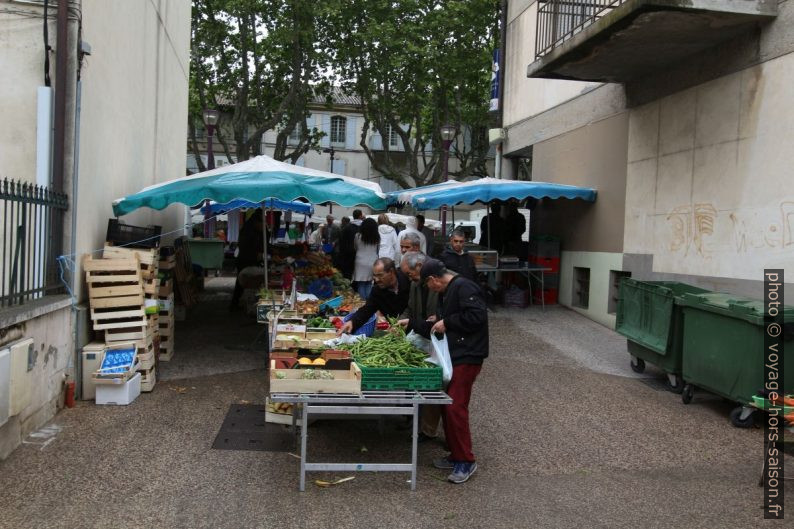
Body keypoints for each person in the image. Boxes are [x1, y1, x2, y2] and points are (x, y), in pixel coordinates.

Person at [416, 258, 488, 484]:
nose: (429, 289)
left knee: (456, 406)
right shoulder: (448, 290)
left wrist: (447, 322)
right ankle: (456, 455)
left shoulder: (464, 287)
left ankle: (466, 461)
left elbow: (477, 316)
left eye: (427, 285)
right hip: (455, 355)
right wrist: (437, 320)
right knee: (448, 405)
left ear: (433, 279)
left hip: (469, 355)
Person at [397, 251, 440, 442]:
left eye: (410, 273)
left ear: (420, 267)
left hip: (436, 336)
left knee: (434, 385)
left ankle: (428, 430)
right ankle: (414, 420)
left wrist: (439, 317)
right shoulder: (416, 284)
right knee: (416, 380)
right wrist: (400, 321)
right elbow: (409, 308)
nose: (409, 278)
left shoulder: (437, 283)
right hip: (421, 334)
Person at [337, 257, 410, 335]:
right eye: (374, 276)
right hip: (397, 330)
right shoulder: (377, 291)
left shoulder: (407, 280)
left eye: (380, 275)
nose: (377, 279)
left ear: (391, 272)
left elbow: (412, 308)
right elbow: (366, 310)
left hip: (413, 327)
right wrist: (352, 322)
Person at [230, 210, 265, 309]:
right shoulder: (249, 231)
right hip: (245, 259)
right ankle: (236, 304)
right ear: (256, 222)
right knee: (242, 282)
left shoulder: (251, 228)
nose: (263, 225)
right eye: (262, 223)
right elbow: (247, 246)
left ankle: (238, 303)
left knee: (243, 282)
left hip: (247, 258)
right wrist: (257, 253)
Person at [352, 218, 380, 299]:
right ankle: (368, 302)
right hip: (372, 261)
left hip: (360, 261)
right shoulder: (377, 237)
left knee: (361, 283)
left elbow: (355, 247)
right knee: (369, 283)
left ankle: (362, 302)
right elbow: (378, 250)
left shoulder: (357, 236)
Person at [337, 209, 363, 279]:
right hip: (361, 255)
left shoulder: (346, 228)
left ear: (353, 216)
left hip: (347, 256)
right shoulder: (365, 228)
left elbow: (341, 242)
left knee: (348, 275)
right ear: (360, 216)